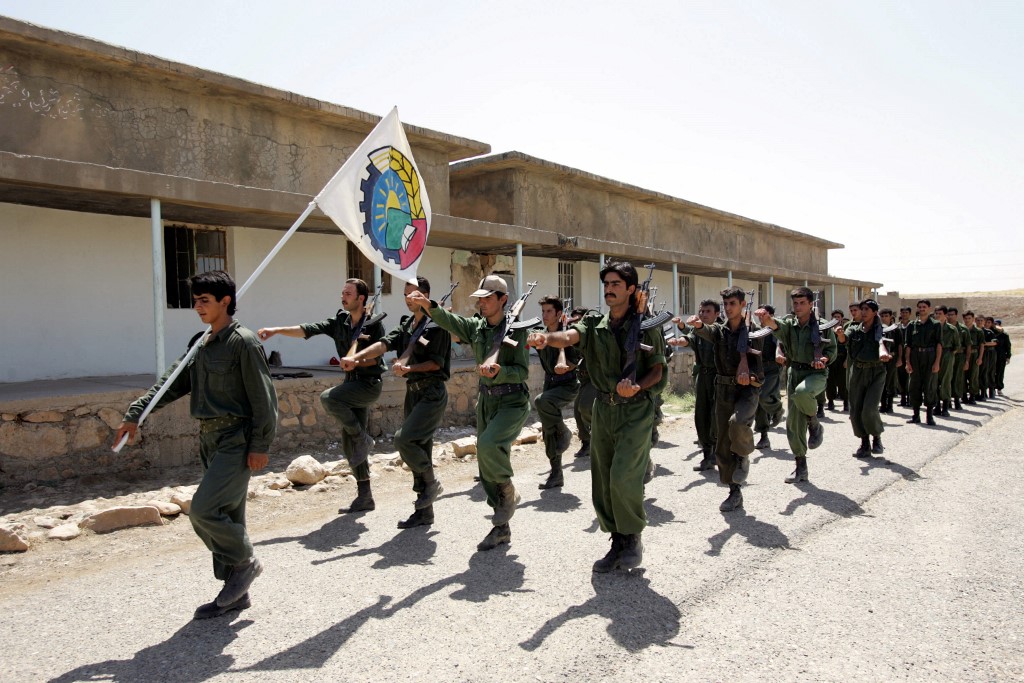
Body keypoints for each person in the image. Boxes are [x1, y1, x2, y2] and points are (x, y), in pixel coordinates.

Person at [114, 271, 278, 620]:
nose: (197, 306)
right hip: (209, 438)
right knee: (229, 513)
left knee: (204, 510)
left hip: (237, 438)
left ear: (226, 302)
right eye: (196, 300)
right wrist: (135, 414)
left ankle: (247, 562)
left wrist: (259, 445)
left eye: (205, 300)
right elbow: (171, 383)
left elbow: (265, 400)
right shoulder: (201, 342)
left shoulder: (244, 343)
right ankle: (237, 591)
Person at [527, 261, 667, 572]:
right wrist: (546, 338)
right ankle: (616, 539)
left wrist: (636, 386)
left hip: (635, 410)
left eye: (616, 284)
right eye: (606, 284)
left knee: (622, 476)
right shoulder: (594, 324)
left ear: (631, 289)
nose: (609, 289)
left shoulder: (646, 326)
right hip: (603, 409)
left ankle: (632, 537)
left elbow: (657, 369)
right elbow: (570, 337)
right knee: (602, 479)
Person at [407, 274, 531, 552]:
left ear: (503, 300)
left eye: (488, 298)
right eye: (480, 299)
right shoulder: (477, 328)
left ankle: (508, 493)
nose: (482, 304)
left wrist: (501, 372)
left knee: (488, 446)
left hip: (513, 401)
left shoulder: (517, 330)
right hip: (487, 401)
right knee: (485, 465)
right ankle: (501, 527)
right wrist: (430, 306)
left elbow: (523, 372)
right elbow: (452, 322)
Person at [258, 278, 385, 513]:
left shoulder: (373, 325)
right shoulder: (339, 322)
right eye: (342, 292)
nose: (343, 296)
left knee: (329, 398)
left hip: (367, 384)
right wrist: (276, 330)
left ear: (361, 298)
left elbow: (377, 358)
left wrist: (356, 359)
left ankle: (362, 437)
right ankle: (365, 495)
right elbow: (308, 329)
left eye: (348, 293)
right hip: (351, 384)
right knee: (351, 444)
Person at [340, 277, 452, 529]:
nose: (407, 299)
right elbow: (384, 344)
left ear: (425, 295)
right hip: (413, 392)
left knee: (404, 440)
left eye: (412, 294)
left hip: (432, 392)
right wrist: (357, 357)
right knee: (420, 449)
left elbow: (437, 363)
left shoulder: (438, 324)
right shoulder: (407, 325)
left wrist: (409, 367)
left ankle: (432, 484)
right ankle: (424, 511)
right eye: (405, 294)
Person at [683, 287, 763, 512]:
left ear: (742, 306)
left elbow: (761, 370)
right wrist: (697, 325)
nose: (728, 309)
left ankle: (744, 455)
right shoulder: (719, 331)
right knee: (723, 443)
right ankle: (734, 491)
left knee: (737, 424)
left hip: (747, 391)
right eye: (725, 304)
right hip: (723, 390)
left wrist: (751, 377)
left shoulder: (755, 333)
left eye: (732, 304)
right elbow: (707, 331)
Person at [755, 287, 836, 483]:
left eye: (802, 303)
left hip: (815, 373)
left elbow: (832, 350)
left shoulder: (823, 326)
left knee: (802, 393)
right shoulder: (790, 324)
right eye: (795, 303)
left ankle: (814, 422)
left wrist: (824, 359)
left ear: (811, 304)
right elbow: (777, 326)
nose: (798, 307)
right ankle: (801, 467)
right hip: (795, 372)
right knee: (793, 423)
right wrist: (766, 320)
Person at [532, 296, 581, 489]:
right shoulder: (541, 335)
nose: (544, 315)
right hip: (549, 383)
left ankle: (565, 431)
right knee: (548, 431)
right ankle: (556, 474)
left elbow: (574, 361)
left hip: (567, 384)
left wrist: (566, 366)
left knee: (541, 401)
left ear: (559, 314)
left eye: (549, 311)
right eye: (543, 311)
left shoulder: (569, 336)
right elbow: (529, 341)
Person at [671, 299, 720, 471]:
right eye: (702, 311)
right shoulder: (697, 332)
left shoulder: (720, 330)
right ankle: (707, 454)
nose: (704, 314)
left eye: (708, 311)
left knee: (717, 416)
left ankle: (719, 452)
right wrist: (680, 341)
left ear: (717, 314)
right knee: (701, 415)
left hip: (719, 377)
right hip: (703, 376)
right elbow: (689, 338)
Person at [845, 299, 891, 457]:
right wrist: (839, 334)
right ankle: (864, 443)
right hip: (857, 371)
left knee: (869, 408)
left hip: (876, 372)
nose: (863, 312)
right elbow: (844, 339)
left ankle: (876, 437)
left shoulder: (882, 330)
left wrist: (883, 351)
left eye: (866, 309)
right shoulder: (854, 329)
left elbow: (881, 342)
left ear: (874, 312)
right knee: (856, 409)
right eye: (861, 309)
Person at [904, 299, 943, 425]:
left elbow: (939, 344)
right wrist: (907, 362)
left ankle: (929, 416)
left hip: (930, 356)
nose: (922, 309)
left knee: (930, 385)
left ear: (929, 308)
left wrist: (937, 362)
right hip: (915, 356)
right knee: (914, 385)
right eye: (920, 307)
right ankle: (916, 415)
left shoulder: (935, 324)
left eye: (924, 307)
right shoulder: (912, 325)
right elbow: (908, 345)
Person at [569, 306, 599, 459]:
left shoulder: (594, 335)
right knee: (577, 412)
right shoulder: (575, 339)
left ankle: (600, 437)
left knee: (586, 407)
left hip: (595, 378)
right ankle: (587, 443)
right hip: (583, 379)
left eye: (579, 320)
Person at [753, 304, 784, 449]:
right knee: (758, 401)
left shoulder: (776, 329)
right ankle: (763, 436)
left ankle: (777, 410)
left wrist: (780, 353)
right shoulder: (755, 329)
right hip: (757, 368)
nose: (760, 318)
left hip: (772, 368)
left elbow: (780, 342)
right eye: (759, 315)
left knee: (765, 396)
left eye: (763, 314)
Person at [933, 306, 961, 417]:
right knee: (934, 381)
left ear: (945, 315)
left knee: (945, 380)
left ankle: (945, 406)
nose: (937, 315)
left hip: (947, 354)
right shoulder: (932, 328)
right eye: (936, 313)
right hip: (933, 354)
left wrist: (948, 355)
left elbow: (957, 346)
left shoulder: (952, 329)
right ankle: (936, 406)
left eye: (940, 313)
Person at [946, 307, 969, 410]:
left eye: (952, 315)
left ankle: (957, 400)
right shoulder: (943, 327)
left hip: (960, 356)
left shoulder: (963, 329)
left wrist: (967, 361)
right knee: (947, 378)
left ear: (956, 315)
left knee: (958, 378)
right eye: (949, 315)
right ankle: (947, 400)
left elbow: (968, 346)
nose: (950, 317)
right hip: (947, 356)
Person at [827, 309, 849, 412]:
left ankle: (845, 403)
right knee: (830, 382)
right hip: (831, 360)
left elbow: (849, 347)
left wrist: (847, 360)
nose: (836, 319)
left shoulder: (845, 330)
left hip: (841, 359)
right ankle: (830, 402)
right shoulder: (827, 331)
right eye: (835, 317)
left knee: (843, 382)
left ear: (841, 319)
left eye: (838, 317)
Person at [878, 308, 899, 413]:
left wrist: (899, 359)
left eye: (886, 316)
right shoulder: (878, 328)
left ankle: (890, 405)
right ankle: (882, 404)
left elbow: (900, 345)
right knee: (881, 382)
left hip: (892, 359)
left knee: (890, 382)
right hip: (880, 360)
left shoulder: (895, 329)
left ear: (891, 317)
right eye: (882, 316)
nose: (884, 318)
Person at [963, 310, 985, 403]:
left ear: (973, 319)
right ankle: (963, 396)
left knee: (973, 376)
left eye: (969, 318)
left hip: (974, 354)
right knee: (962, 376)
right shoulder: (961, 330)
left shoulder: (978, 331)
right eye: (966, 318)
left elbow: (982, 345)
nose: (967, 320)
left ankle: (973, 396)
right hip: (963, 355)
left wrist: (980, 358)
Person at [993, 319, 1012, 395]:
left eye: (997, 324)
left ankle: (999, 388)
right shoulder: (991, 333)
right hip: (992, 356)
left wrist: (1008, 356)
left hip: (1001, 356)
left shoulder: (1004, 335)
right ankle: (992, 388)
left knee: (1000, 372)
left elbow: (1008, 346)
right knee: (991, 372)